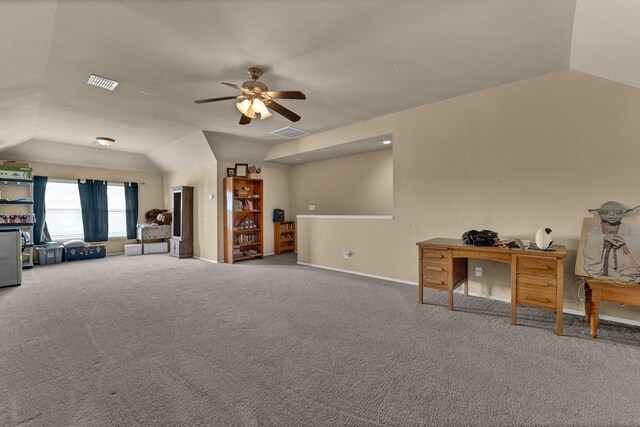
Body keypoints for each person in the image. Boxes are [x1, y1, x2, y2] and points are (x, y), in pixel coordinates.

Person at [583, 201, 640, 281]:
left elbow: (637, 239)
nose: (611, 215)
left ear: (622, 214)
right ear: (600, 214)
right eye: (606, 212)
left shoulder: (630, 228)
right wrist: (603, 238)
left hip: (626, 268)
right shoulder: (595, 228)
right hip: (604, 268)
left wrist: (625, 242)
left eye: (617, 212)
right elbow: (591, 239)